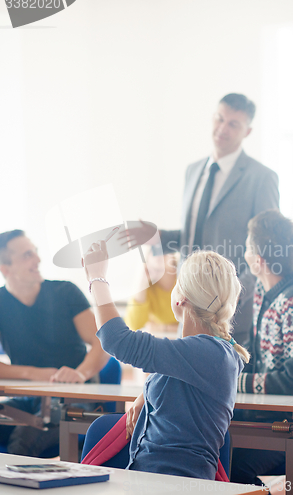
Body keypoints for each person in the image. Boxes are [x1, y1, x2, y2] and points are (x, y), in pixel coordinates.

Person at [119, 93, 279, 346]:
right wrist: (157, 238)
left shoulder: (262, 178)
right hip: (189, 305)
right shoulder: (193, 171)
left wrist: (231, 296)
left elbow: (266, 248)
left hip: (230, 313)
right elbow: (194, 237)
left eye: (233, 124)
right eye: (220, 119)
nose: (222, 128)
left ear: (247, 131)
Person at [84, 243, 249, 479]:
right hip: (149, 478)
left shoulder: (208, 352)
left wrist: (97, 278)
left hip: (170, 482)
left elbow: (116, 340)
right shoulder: (212, 351)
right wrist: (147, 393)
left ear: (181, 298)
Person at [230, 210, 293, 486]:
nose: (244, 253)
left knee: (230, 465)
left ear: (259, 260)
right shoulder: (267, 293)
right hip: (266, 416)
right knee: (205, 448)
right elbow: (255, 356)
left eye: (248, 247)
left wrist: (236, 381)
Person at [0, 229, 109, 456]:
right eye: (27, 255)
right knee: (25, 427)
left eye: (36, 253)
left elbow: (103, 341)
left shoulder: (65, 292)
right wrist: (33, 373)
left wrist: (80, 373)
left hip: (76, 399)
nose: (37, 260)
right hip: (27, 398)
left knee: (26, 435)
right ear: (5, 268)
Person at [125, 252, 178, 335]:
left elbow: (199, 325)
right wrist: (142, 283)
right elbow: (133, 326)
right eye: (153, 249)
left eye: (164, 249)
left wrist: (163, 327)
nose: (159, 253)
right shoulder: (148, 287)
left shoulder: (185, 277)